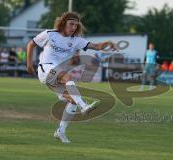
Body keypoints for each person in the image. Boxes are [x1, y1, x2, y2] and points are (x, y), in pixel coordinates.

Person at [26, 12, 117, 143]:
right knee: (68, 76)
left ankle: (60, 132)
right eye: (71, 24)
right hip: (45, 69)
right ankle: (84, 106)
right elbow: (31, 44)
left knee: (72, 100)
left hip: (55, 77)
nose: (74, 27)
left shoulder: (76, 40)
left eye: (76, 25)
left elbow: (96, 46)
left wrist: (108, 42)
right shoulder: (49, 34)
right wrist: (29, 64)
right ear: (63, 23)